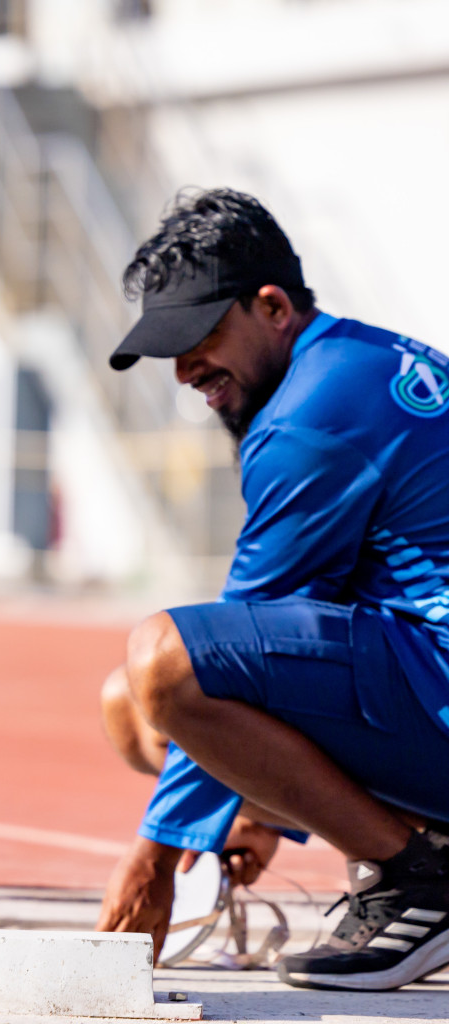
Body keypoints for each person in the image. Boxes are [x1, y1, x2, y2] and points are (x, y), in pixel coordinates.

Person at [95, 189, 449, 991]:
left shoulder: (309, 420)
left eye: (199, 338)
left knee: (163, 664)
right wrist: (247, 809)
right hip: (428, 673)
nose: (185, 371)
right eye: (171, 350)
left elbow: (219, 652)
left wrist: (153, 861)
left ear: (273, 306)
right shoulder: (362, 361)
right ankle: (422, 847)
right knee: (133, 704)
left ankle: (417, 881)